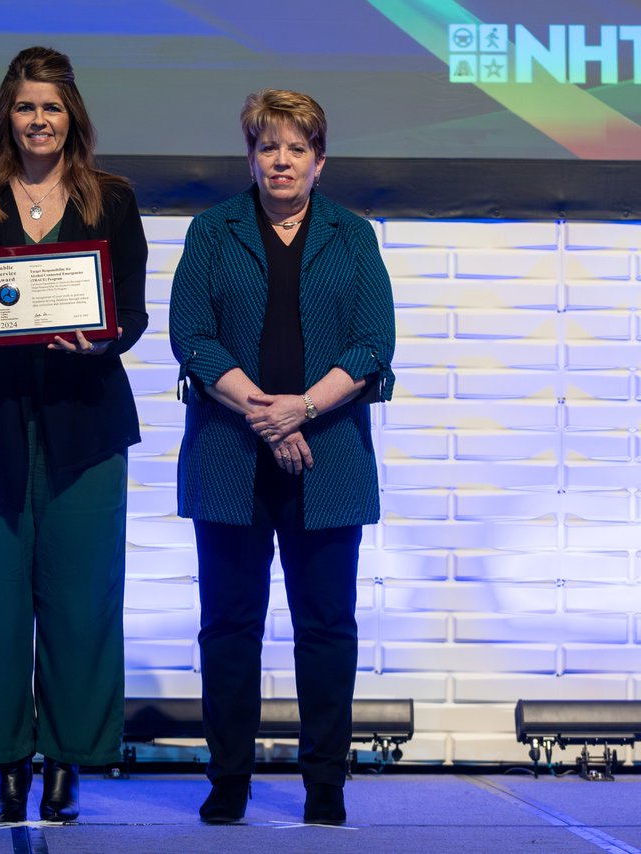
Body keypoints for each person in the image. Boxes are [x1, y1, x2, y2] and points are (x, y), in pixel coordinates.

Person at [0, 46, 148, 823]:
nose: (39, 120)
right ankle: (5, 764)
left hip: (85, 426)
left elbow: (133, 311)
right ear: (7, 116)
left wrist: (105, 338)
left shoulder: (112, 200)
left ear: (71, 116)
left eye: (51, 107)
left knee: (83, 603)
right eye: (26, 107)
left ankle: (70, 763)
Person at [169, 89, 395, 826]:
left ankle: (324, 785)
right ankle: (228, 779)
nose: (282, 160)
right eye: (269, 147)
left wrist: (303, 407)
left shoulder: (353, 236)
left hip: (329, 457)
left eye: (297, 148)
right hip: (230, 456)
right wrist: (270, 416)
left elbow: (372, 346)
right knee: (229, 625)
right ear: (251, 157)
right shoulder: (212, 231)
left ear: (320, 161)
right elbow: (193, 339)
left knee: (326, 625)